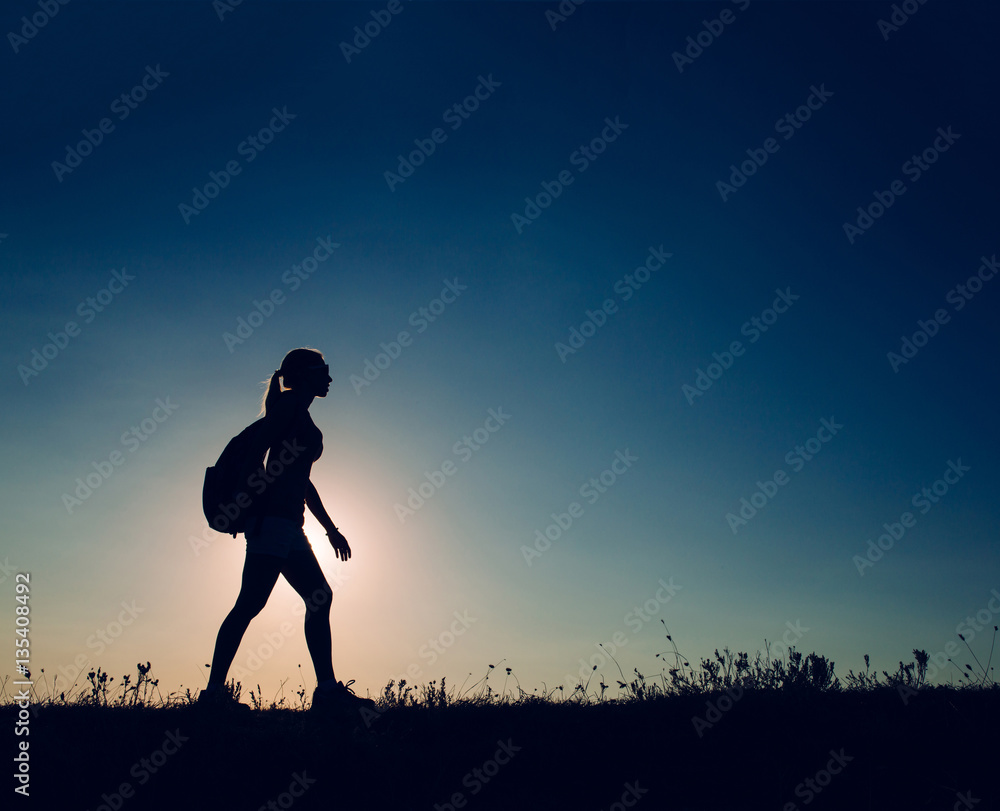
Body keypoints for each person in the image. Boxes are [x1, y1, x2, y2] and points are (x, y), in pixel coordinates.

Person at [200, 347, 373, 713]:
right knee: (251, 604)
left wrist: (330, 528)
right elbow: (257, 450)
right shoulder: (290, 406)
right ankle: (213, 697)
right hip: (273, 522)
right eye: (324, 369)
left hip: (289, 526)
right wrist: (254, 497)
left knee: (315, 596)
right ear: (306, 373)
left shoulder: (300, 414)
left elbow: (302, 482)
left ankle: (326, 692)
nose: (329, 377)